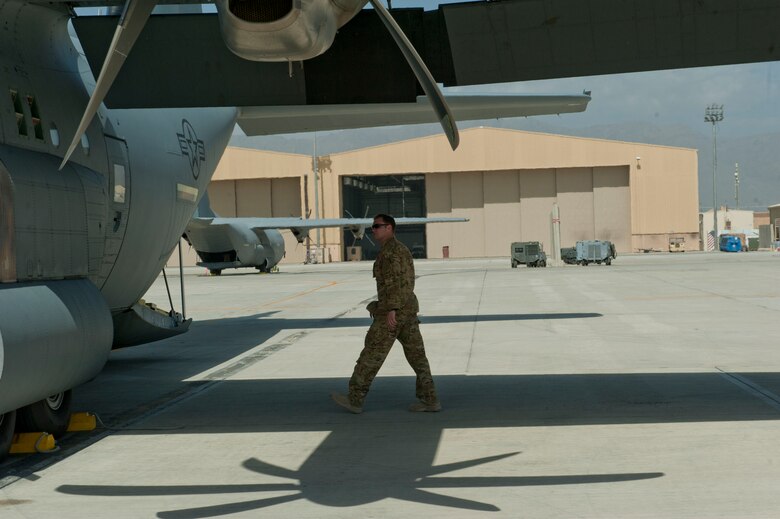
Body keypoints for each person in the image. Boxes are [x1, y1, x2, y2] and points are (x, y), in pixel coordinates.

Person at [331, 214, 440, 414]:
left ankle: (355, 399)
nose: (373, 229)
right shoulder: (395, 250)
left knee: (371, 354)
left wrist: (392, 309)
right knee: (418, 357)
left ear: (389, 228)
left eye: (377, 226)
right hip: (406, 311)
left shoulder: (392, 252)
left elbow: (401, 283)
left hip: (395, 313)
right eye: (373, 226)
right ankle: (430, 399)